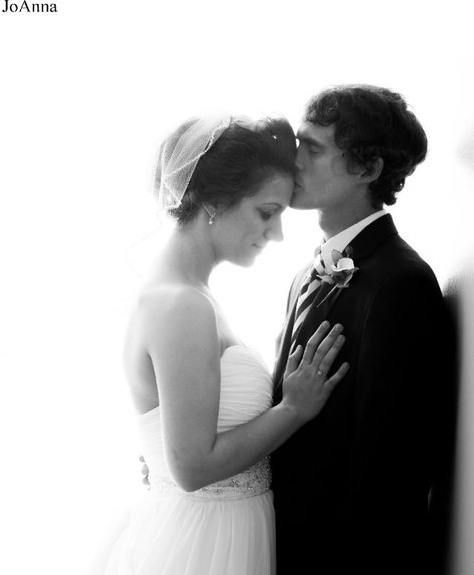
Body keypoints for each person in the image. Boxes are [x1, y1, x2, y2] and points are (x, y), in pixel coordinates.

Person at [91, 115, 349, 575]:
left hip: (218, 528)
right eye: (266, 212)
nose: (276, 233)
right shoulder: (182, 305)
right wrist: (293, 409)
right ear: (213, 202)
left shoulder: (188, 295)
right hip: (202, 542)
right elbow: (192, 467)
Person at [271, 84, 455, 575]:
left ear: (368, 169)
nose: (293, 160)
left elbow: (390, 468)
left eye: (313, 149)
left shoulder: (401, 283)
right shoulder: (305, 272)